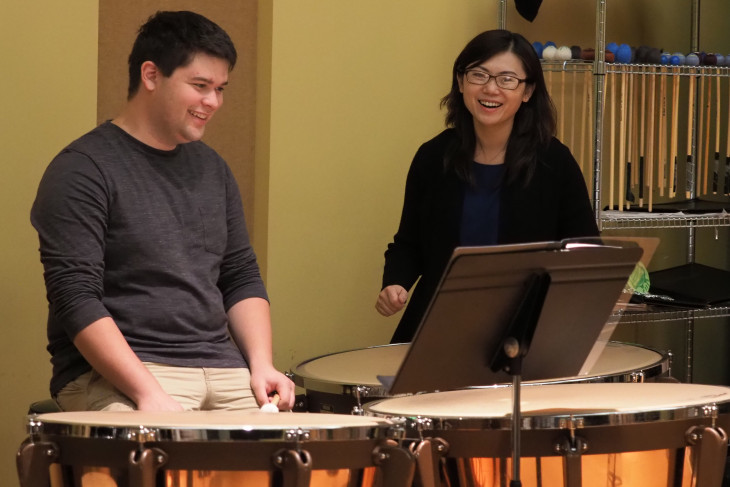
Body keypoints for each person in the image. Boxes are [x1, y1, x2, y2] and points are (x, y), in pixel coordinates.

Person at [31, 10, 294, 412]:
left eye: (221, 88)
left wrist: (262, 364)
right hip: (129, 372)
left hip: (226, 368)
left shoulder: (213, 168)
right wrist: (148, 394)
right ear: (151, 75)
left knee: (296, 455)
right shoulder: (82, 168)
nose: (214, 102)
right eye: (201, 85)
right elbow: (75, 297)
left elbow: (240, 276)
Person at [375, 29, 599, 343]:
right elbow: (409, 242)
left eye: (507, 79)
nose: (490, 89)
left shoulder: (553, 161)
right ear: (461, 81)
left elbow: (585, 249)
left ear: (527, 91)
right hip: (438, 325)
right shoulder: (433, 157)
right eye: (479, 75)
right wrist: (395, 283)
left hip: (525, 333)